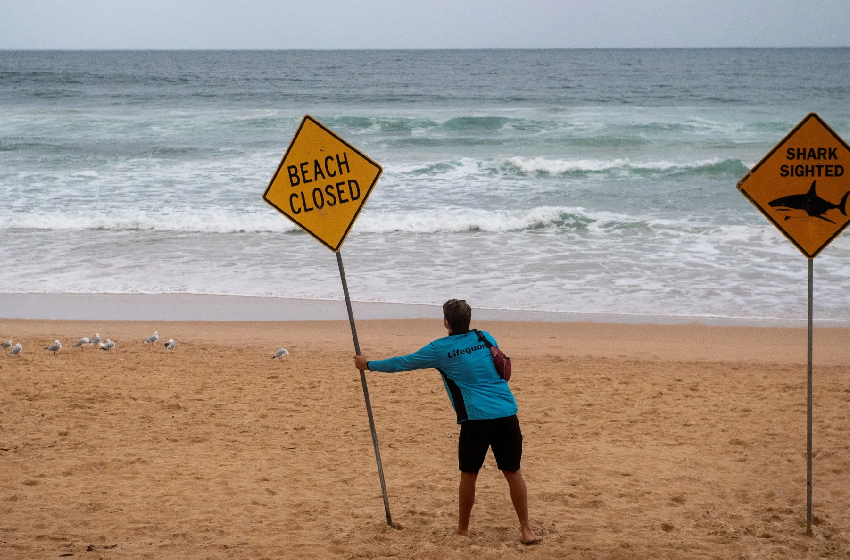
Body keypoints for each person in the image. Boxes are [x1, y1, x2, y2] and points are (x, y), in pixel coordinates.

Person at [353, 299, 541, 544]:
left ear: (446, 322)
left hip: (476, 420)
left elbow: (404, 362)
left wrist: (368, 365)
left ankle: (463, 530)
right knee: (513, 472)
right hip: (507, 412)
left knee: (468, 474)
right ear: (468, 319)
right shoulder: (485, 338)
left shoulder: (439, 350)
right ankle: (526, 530)